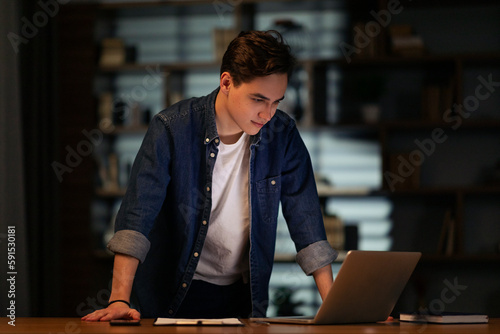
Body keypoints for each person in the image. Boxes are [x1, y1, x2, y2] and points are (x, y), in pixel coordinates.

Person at [82, 30, 337, 321]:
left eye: (276, 102)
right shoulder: (171, 128)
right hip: (170, 294)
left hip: (244, 296)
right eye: (258, 99)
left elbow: (307, 224)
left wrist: (336, 307)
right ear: (227, 82)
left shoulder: (283, 134)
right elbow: (136, 217)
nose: (268, 114)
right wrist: (118, 299)